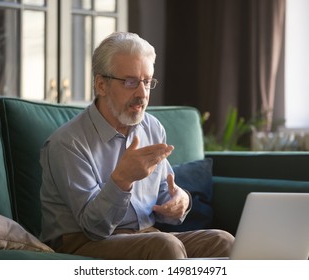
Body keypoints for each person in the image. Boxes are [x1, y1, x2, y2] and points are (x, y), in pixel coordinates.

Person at [39, 31, 234, 259]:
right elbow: (94, 227)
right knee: (164, 246)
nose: (142, 93)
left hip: (146, 235)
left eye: (147, 82)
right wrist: (122, 180)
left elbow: (162, 192)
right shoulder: (67, 143)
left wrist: (180, 200)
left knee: (223, 242)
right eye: (130, 82)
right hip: (82, 243)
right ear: (101, 85)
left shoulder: (152, 127)